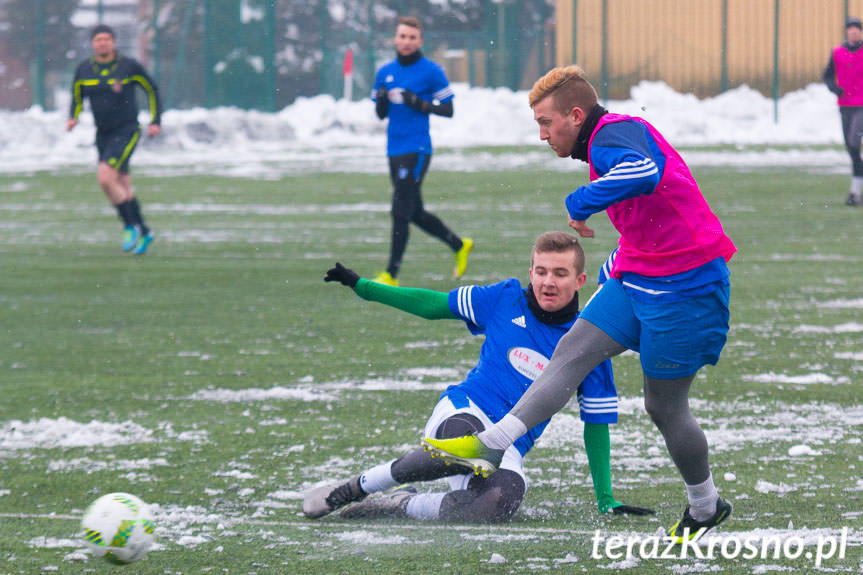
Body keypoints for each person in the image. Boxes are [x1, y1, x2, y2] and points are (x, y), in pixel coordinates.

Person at [423, 66, 737, 543]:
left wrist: (581, 199)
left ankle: (705, 504)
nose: (543, 136)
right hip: (639, 275)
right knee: (570, 351)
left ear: (575, 115)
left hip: (687, 290)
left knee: (664, 406)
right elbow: (646, 219)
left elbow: (644, 172)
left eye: (546, 124)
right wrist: (613, 269)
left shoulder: (614, 134)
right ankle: (493, 444)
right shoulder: (606, 144)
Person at [302, 231, 654, 522]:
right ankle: (356, 488)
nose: (548, 282)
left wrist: (606, 498)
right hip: (465, 410)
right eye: (541, 271)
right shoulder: (503, 298)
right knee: (462, 448)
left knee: (497, 505)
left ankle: (399, 505)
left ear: (579, 280)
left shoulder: (592, 342)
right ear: (530, 272)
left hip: (508, 444)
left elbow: (596, 425)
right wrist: (363, 287)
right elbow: (433, 305)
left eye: (560, 274)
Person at [370, 16, 472, 286]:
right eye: (402, 36)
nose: (406, 42)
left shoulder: (431, 71)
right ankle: (458, 244)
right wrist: (381, 100)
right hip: (393, 149)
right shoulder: (385, 72)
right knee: (413, 211)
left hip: (417, 149)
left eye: (412, 37)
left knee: (400, 210)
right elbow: (381, 114)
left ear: (420, 41)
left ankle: (391, 274)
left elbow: (448, 109)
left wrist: (419, 103)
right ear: (395, 39)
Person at [67, 24, 162, 254]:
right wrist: (73, 117)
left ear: (113, 42)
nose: (103, 43)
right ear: (92, 43)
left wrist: (156, 120)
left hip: (127, 129)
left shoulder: (128, 66)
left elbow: (152, 90)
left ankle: (130, 226)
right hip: (103, 133)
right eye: (99, 39)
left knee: (104, 177)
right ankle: (145, 230)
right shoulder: (84, 69)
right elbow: (77, 96)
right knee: (120, 183)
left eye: (107, 39)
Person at [824, 17, 863, 207]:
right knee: (850, 147)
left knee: (855, 143)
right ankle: (855, 192)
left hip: (861, 105)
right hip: (845, 105)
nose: (854, 32)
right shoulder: (838, 52)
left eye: (857, 29)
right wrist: (834, 88)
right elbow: (827, 75)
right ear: (846, 32)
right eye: (851, 29)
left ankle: (855, 191)